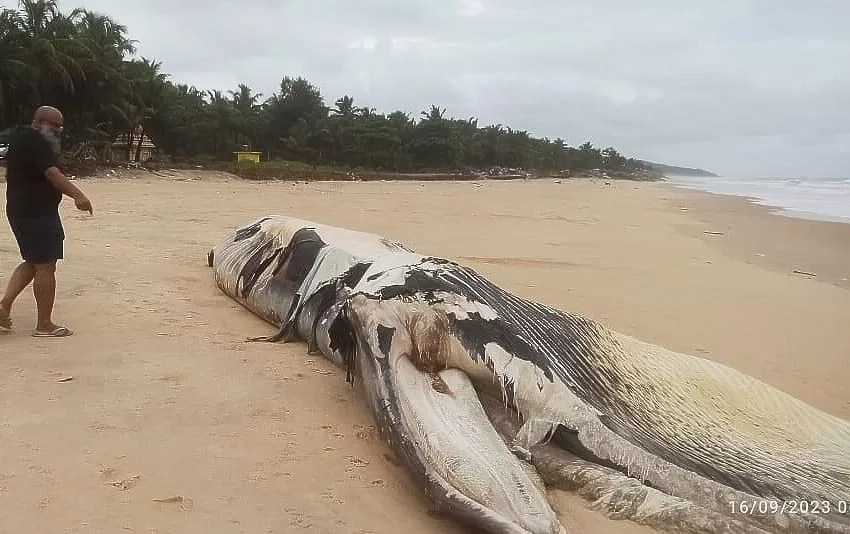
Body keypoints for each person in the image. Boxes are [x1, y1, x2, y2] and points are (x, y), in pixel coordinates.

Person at [0, 105, 93, 337]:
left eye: (60, 126)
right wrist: (78, 195)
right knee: (45, 266)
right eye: (54, 125)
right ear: (40, 122)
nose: (58, 130)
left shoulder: (19, 136)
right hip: (37, 213)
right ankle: (44, 325)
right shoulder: (38, 142)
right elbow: (52, 173)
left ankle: (3, 305)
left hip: (20, 209)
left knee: (33, 261)